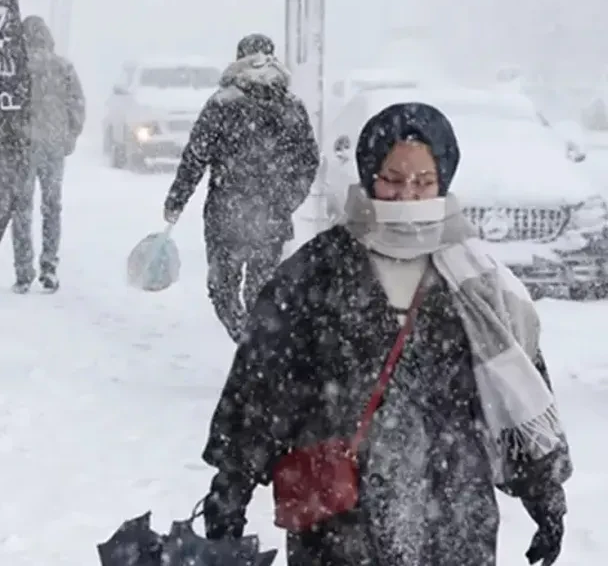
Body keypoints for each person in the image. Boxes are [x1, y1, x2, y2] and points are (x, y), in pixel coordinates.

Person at [199, 102, 572, 565]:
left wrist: (546, 494)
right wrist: (230, 487)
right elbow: (263, 386)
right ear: (369, 175)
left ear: (444, 181)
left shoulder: (478, 279)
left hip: (452, 511)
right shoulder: (318, 270)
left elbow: (518, 390)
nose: (407, 196)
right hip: (340, 516)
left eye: (423, 183)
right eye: (392, 180)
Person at [162, 33, 318, 341]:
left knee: (223, 289)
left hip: (226, 214)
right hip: (271, 215)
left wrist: (176, 201)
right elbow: (309, 161)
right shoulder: (291, 105)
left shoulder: (222, 103)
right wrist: (288, 199)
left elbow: (196, 156)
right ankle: (257, 346)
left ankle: (245, 339)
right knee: (262, 289)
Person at [11, 15, 86, 294]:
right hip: (53, 145)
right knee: (51, 207)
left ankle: (23, 270)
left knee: (22, 209)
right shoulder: (63, 67)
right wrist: (71, 134)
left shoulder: (16, 68)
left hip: (23, 145)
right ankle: (49, 265)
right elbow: (77, 103)